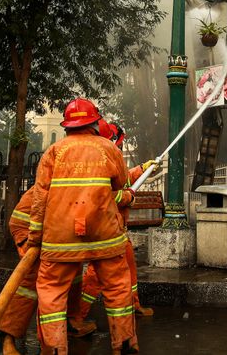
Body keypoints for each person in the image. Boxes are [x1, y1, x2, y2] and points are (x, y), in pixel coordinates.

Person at [29, 98, 138, 355]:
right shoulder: (109, 149)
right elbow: (120, 187)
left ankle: (55, 349)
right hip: (106, 237)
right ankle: (123, 345)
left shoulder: (53, 153)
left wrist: (35, 237)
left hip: (60, 239)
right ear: (95, 122)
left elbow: (39, 199)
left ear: (67, 125)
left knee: (52, 293)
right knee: (118, 289)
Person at [0, 184, 95, 355]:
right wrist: (31, 243)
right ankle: (7, 336)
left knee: (74, 272)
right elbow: (22, 219)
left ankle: (71, 321)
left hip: (55, 235)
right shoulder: (56, 179)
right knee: (30, 285)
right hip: (30, 232)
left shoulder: (84, 179)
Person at [75, 122, 156, 325]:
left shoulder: (106, 157)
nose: (119, 147)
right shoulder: (97, 161)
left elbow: (123, 180)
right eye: (117, 143)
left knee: (129, 267)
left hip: (118, 228)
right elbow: (105, 196)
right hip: (104, 229)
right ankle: (78, 317)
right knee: (96, 275)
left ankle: (134, 305)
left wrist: (143, 169)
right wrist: (127, 198)